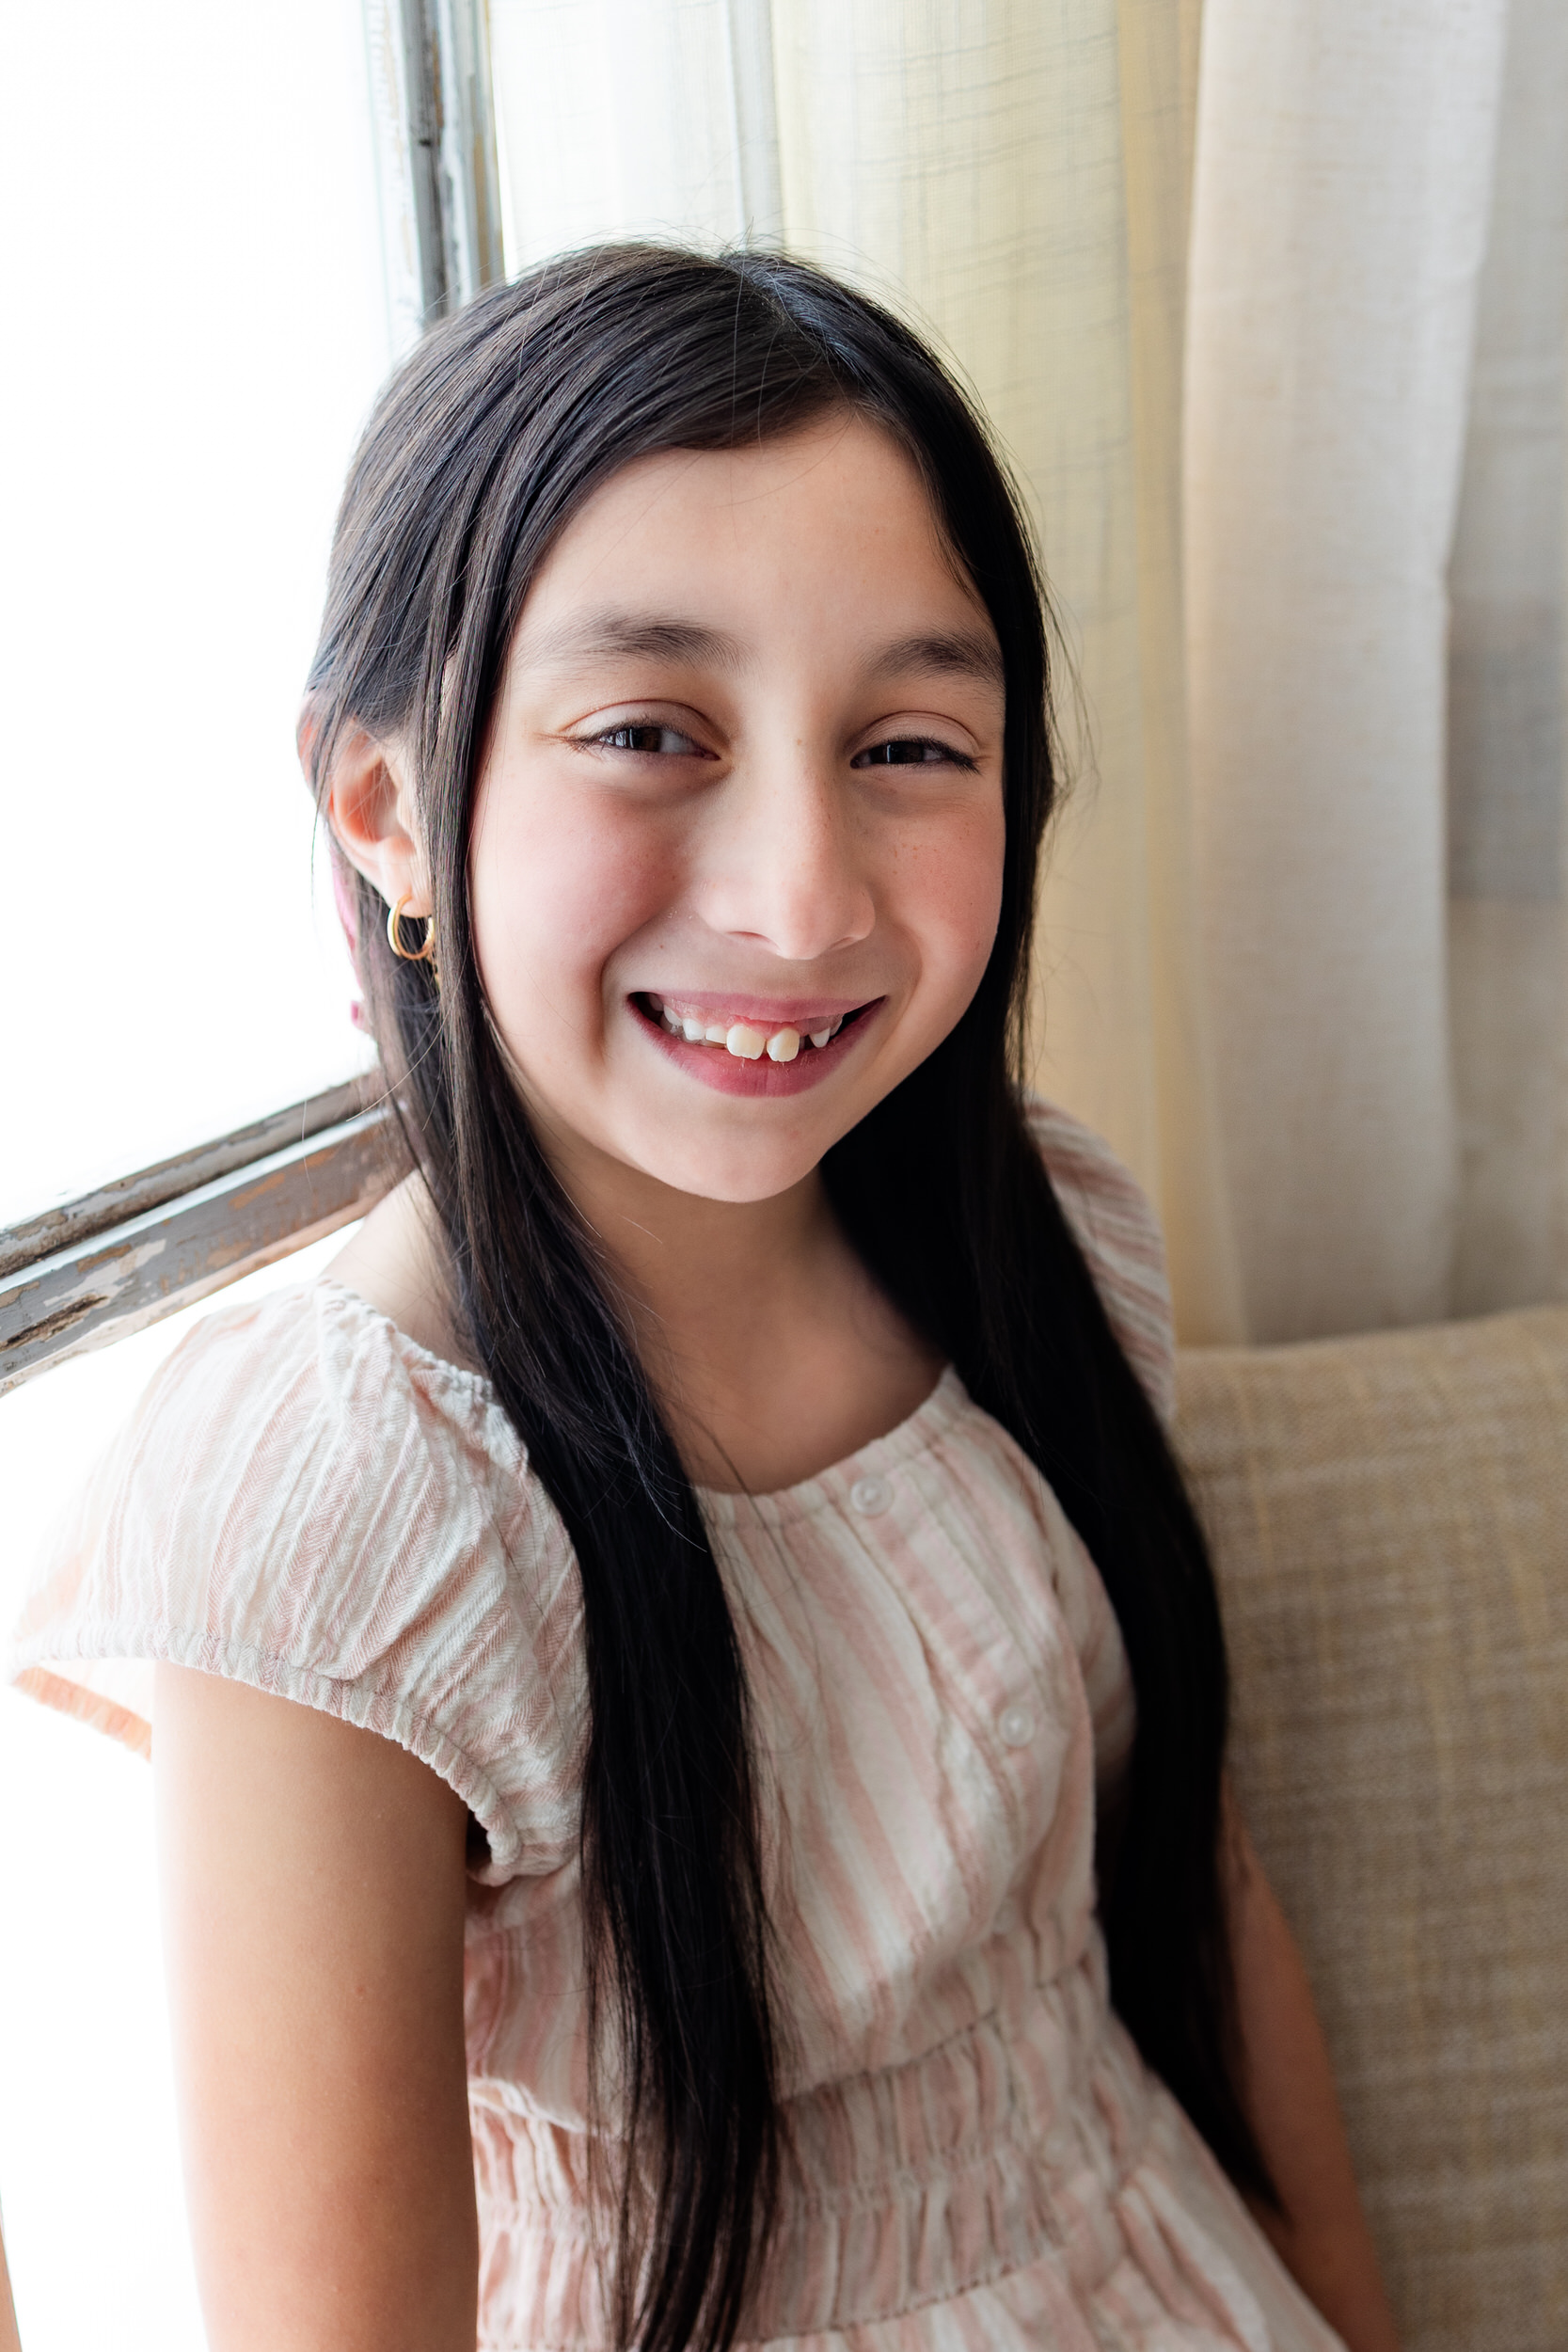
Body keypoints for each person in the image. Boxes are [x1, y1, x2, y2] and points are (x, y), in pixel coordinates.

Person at [11, 246, 1400, 2352]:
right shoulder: (342, 1508)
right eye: (652, 731)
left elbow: (1198, 1890)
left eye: (910, 743)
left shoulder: (1040, 1238)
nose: (801, 897)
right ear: (385, 806)